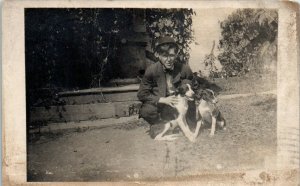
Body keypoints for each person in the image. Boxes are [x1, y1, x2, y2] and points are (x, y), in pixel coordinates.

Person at [137, 36, 194, 137]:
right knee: (146, 111)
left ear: (176, 55)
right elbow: (142, 94)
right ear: (158, 55)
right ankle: (160, 125)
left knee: (191, 117)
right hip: (162, 104)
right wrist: (162, 99)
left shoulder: (184, 68)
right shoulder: (151, 70)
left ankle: (180, 121)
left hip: (179, 102)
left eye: (171, 55)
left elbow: (194, 84)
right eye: (164, 55)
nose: (168, 59)